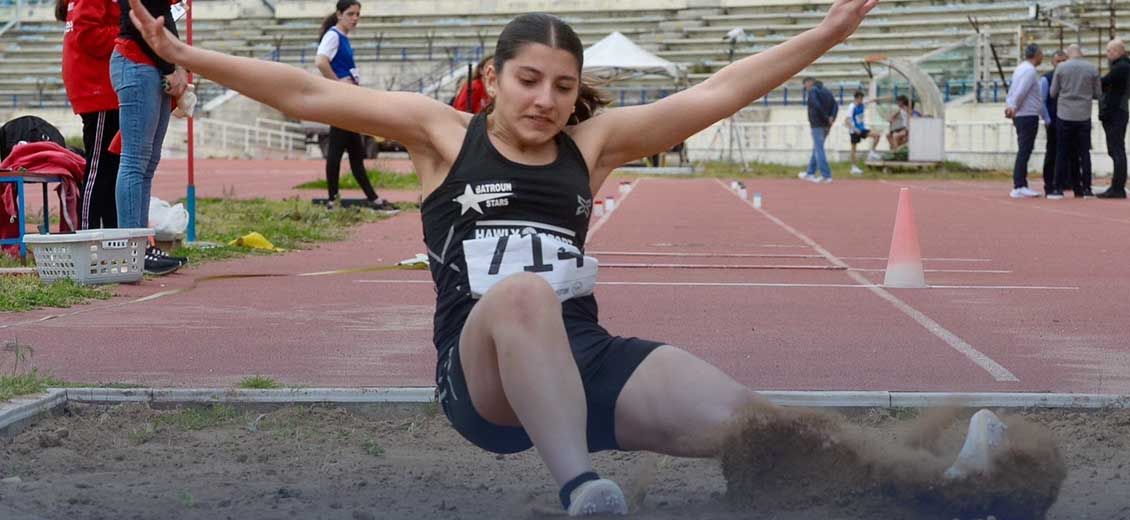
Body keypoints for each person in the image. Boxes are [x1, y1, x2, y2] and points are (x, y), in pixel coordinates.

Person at [124, 1, 1028, 516]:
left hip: (587, 361)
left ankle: (931, 480)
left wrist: (826, 34)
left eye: (563, 85)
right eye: (529, 80)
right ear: (494, 76)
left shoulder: (590, 148)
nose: (548, 100)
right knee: (519, 297)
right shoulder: (442, 134)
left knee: (752, 422)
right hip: (479, 376)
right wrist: (183, 52)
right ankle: (584, 489)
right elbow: (308, 90)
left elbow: (717, 91)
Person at [113, 0, 188, 275]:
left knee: (147, 162)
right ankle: (132, 248)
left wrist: (178, 65)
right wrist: (171, 66)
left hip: (152, 65)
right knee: (134, 161)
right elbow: (141, 20)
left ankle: (141, 244)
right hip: (137, 61)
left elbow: (165, 16)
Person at [315, 0, 394, 211]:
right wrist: (338, 83)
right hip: (341, 103)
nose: (355, 18)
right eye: (351, 14)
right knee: (337, 152)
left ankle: (371, 198)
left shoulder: (343, 38)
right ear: (339, 14)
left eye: (358, 14)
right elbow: (320, 61)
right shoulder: (333, 35)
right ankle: (334, 200)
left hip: (348, 102)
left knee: (356, 154)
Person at [57, 0, 121, 230]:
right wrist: (131, 34)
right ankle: (87, 234)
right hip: (98, 88)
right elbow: (89, 35)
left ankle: (113, 235)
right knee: (100, 167)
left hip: (104, 86)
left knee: (112, 169)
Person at [1050, 44, 1100, 199]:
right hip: (1084, 115)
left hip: (1065, 114)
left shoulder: (1061, 68)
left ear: (1068, 54)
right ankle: (1086, 189)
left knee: (1062, 152)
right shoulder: (1092, 68)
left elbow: (1053, 92)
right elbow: (1098, 93)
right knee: (1084, 153)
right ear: (1081, 53)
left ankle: (1058, 188)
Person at [1004, 43, 1044, 199]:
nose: (1043, 56)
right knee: (1025, 150)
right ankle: (1019, 185)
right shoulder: (1029, 71)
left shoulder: (1020, 68)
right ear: (1037, 54)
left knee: (1024, 149)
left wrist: (1011, 105)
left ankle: (1021, 184)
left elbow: (1013, 90)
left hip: (1021, 114)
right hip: (1027, 114)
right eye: (1041, 53)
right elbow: (1020, 92)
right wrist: (1013, 106)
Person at [1098, 38, 1130, 199]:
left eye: (1109, 51)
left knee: (1117, 150)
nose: (1106, 54)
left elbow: (1103, 82)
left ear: (1118, 51)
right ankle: (1117, 186)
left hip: (1116, 112)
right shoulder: (1122, 66)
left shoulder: (1121, 67)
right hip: (1119, 111)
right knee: (1116, 149)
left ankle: (1117, 187)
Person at [797, 77, 837, 183]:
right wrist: (831, 118)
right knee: (817, 148)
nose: (805, 87)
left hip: (817, 124)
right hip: (826, 124)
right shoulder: (827, 91)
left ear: (810, 82)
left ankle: (826, 175)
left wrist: (825, 118)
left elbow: (816, 106)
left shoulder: (813, 91)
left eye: (805, 84)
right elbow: (835, 105)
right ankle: (810, 172)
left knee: (819, 150)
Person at [1040, 49, 1067, 196]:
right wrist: (1048, 120)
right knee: (1052, 153)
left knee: (1066, 154)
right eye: (1059, 61)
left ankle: (1062, 183)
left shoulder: (1069, 77)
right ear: (1053, 62)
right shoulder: (1046, 79)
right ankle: (1049, 184)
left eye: (1064, 61)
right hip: (1054, 122)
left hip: (1067, 121)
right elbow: (1042, 101)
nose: (1062, 64)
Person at [843, 90, 879, 174]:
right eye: (860, 99)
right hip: (854, 130)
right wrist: (855, 129)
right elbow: (846, 121)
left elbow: (871, 101)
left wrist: (878, 99)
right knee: (854, 149)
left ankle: (872, 152)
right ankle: (854, 168)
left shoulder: (862, 104)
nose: (862, 100)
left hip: (862, 129)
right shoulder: (851, 107)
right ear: (857, 98)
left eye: (862, 99)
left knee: (877, 135)